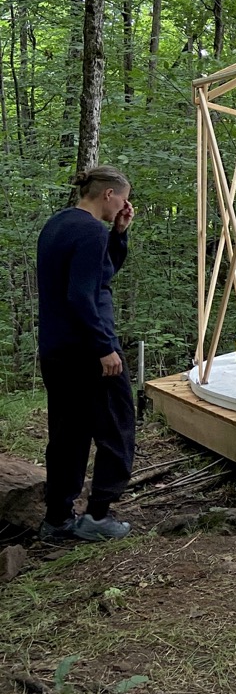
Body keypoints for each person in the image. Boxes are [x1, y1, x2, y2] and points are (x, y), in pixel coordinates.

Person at [36, 165, 137, 543]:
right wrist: (104, 348)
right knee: (117, 426)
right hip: (89, 353)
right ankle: (98, 514)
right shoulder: (91, 231)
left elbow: (98, 274)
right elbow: (82, 295)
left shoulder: (58, 223)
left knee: (67, 435)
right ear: (108, 194)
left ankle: (58, 519)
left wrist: (120, 234)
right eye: (123, 198)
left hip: (57, 349)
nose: (126, 205)